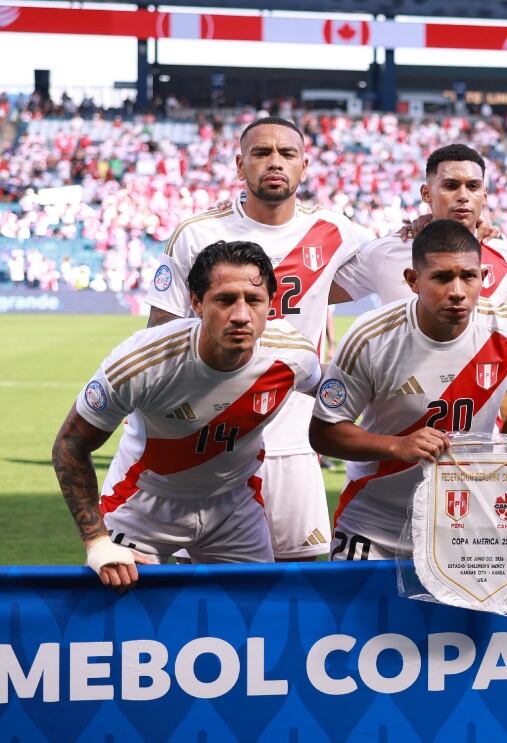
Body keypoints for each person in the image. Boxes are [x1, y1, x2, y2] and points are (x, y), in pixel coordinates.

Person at [144, 116, 375, 561]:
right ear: (239, 164)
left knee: (303, 573)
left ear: (304, 166)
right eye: (261, 153)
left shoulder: (336, 230)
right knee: (203, 579)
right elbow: (160, 335)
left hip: (295, 436)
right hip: (212, 436)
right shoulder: (198, 234)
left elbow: (408, 260)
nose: (275, 162)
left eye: (287, 154)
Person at [309, 221, 507, 561]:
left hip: (463, 528)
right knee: (361, 616)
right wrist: (396, 445)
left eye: (468, 276)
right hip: (374, 525)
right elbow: (324, 433)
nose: (458, 290)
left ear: (483, 277)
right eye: (442, 277)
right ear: (413, 280)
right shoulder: (371, 337)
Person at [52, 241, 321, 588]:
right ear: (196, 302)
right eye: (225, 300)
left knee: (254, 616)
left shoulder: (294, 355)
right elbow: (70, 444)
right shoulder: (141, 362)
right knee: (126, 622)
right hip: (142, 504)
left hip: (235, 504)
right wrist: (97, 540)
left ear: (270, 304)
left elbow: (337, 392)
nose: (241, 315)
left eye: (253, 300)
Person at [353, 144, 507, 331]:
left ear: (484, 195)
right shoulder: (388, 250)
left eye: (473, 186)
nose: (464, 196)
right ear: (426, 194)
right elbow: (321, 287)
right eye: (451, 186)